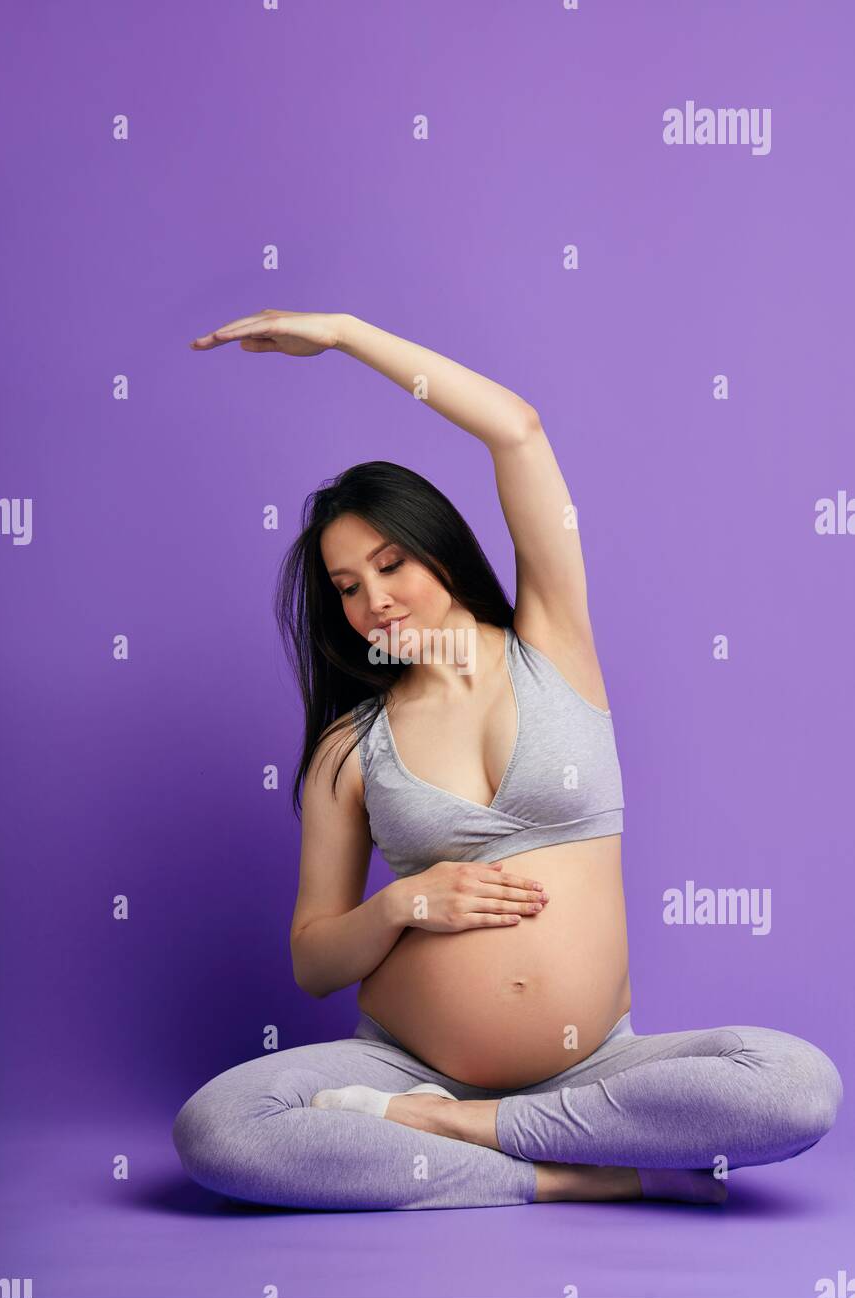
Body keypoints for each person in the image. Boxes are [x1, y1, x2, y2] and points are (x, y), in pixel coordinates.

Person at [172, 310, 843, 1210]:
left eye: (391, 562)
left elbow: (516, 428)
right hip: (403, 1064)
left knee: (795, 1085)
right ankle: (570, 1175)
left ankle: (458, 1133)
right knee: (218, 1129)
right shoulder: (351, 747)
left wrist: (340, 334)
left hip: (594, 1065)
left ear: (437, 547)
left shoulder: (553, 645)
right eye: (346, 588)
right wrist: (407, 901)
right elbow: (314, 961)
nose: (374, 600)